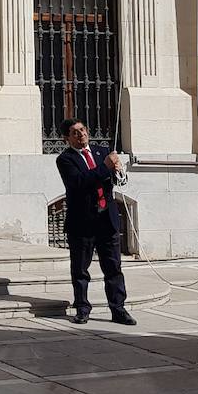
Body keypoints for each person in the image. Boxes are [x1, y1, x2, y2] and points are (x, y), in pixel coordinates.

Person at [55, 118, 134, 326]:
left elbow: (118, 181)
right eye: (74, 132)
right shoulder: (66, 159)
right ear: (67, 139)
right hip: (83, 223)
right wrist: (105, 168)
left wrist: (118, 170)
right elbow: (79, 183)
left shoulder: (102, 151)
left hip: (106, 219)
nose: (80, 134)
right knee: (81, 269)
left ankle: (118, 308)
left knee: (113, 267)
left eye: (82, 130)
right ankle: (82, 308)